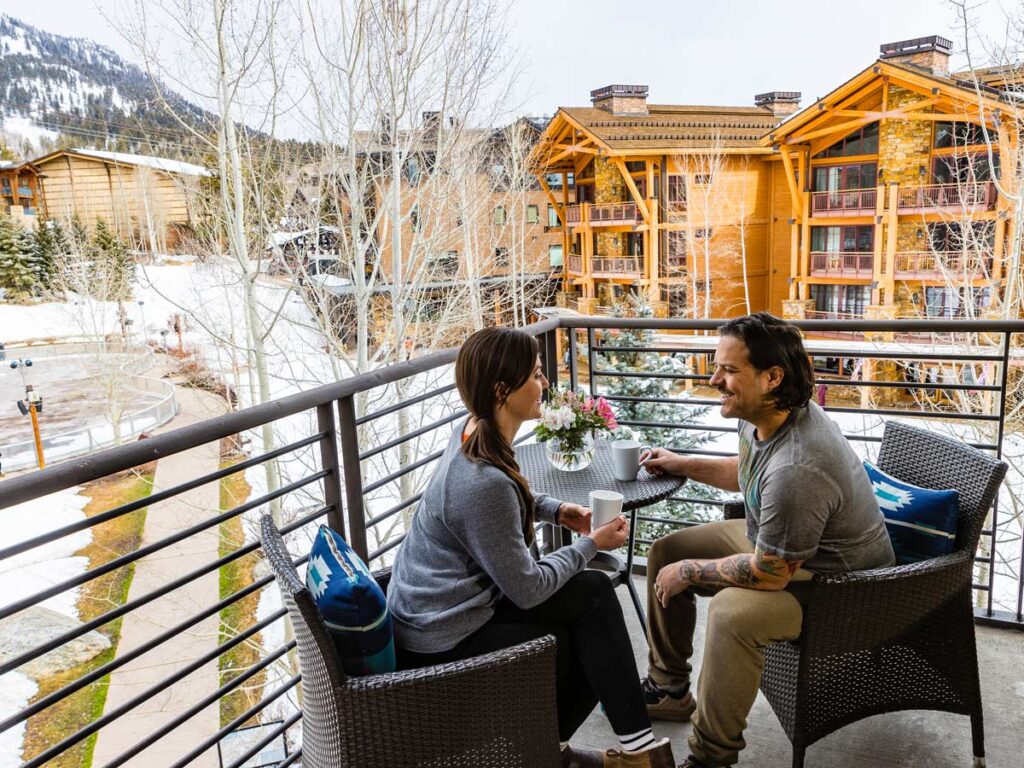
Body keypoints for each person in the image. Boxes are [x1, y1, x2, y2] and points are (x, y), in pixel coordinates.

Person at [387, 326, 676, 768]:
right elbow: (527, 587)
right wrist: (590, 544)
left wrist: (559, 512)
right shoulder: (480, 479)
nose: (545, 385)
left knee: (592, 598)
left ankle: (590, 752)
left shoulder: (474, 432)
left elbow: (505, 499)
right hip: (443, 633)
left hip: (443, 609)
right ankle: (595, 754)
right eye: (537, 375)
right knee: (578, 626)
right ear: (502, 389)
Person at [638, 313, 894, 768]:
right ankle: (670, 688)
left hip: (841, 587)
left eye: (729, 371)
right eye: (717, 366)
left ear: (772, 377)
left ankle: (710, 757)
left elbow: (768, 573)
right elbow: (752, 477)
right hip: (785, 550)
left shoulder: (799, 464)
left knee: (732, 613)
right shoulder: (762, 413)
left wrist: (692, 573)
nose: (715, 379)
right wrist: (683, 463)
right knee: (666, 552)